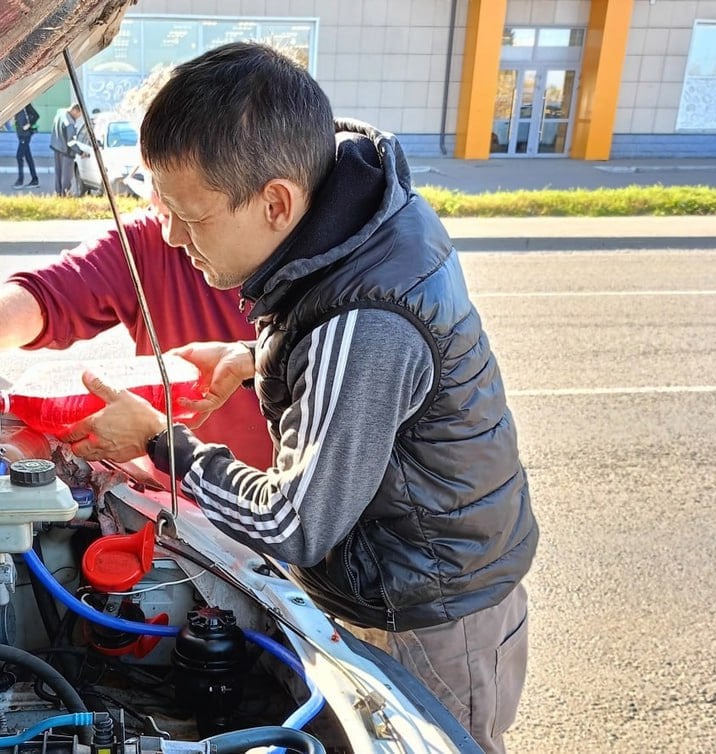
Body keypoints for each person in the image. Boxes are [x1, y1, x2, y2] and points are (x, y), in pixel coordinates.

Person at [61, 42, 538, 754]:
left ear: (276, 202)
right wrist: (254, 358)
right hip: (412, 579)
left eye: (190, 218)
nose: (169, 236)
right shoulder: (358, 217)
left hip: (427, 617)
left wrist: (163, 443)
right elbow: (383, 369)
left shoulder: (364, 321)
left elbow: (293, 521)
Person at [0, 177, 273, 470]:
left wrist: (160, 440)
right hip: (186, 510)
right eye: (154, 182)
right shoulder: (150, 240)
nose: (167, 222)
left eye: (184, 202)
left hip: (274, 527)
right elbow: (49, 297)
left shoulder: (321, 282)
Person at [49, 103, 82, 196]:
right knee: (67, 176)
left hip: (57, 148)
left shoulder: (60, 113)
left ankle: (58, 193)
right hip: (67, 152)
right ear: (74, 110)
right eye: (79, 114)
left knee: (58, 173)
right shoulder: (70, 123)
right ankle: (65, 194)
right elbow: (71, 142)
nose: (79, 117)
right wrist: (81, 152)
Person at [12, 103, 40, 189]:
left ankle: (20, 181)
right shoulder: (16, 106)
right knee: (28, 158)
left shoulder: (25, 104)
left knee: (19, 156)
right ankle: (34, 180)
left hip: (25, 135)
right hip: (21, 135)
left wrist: (28, 125)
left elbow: (36, 115)